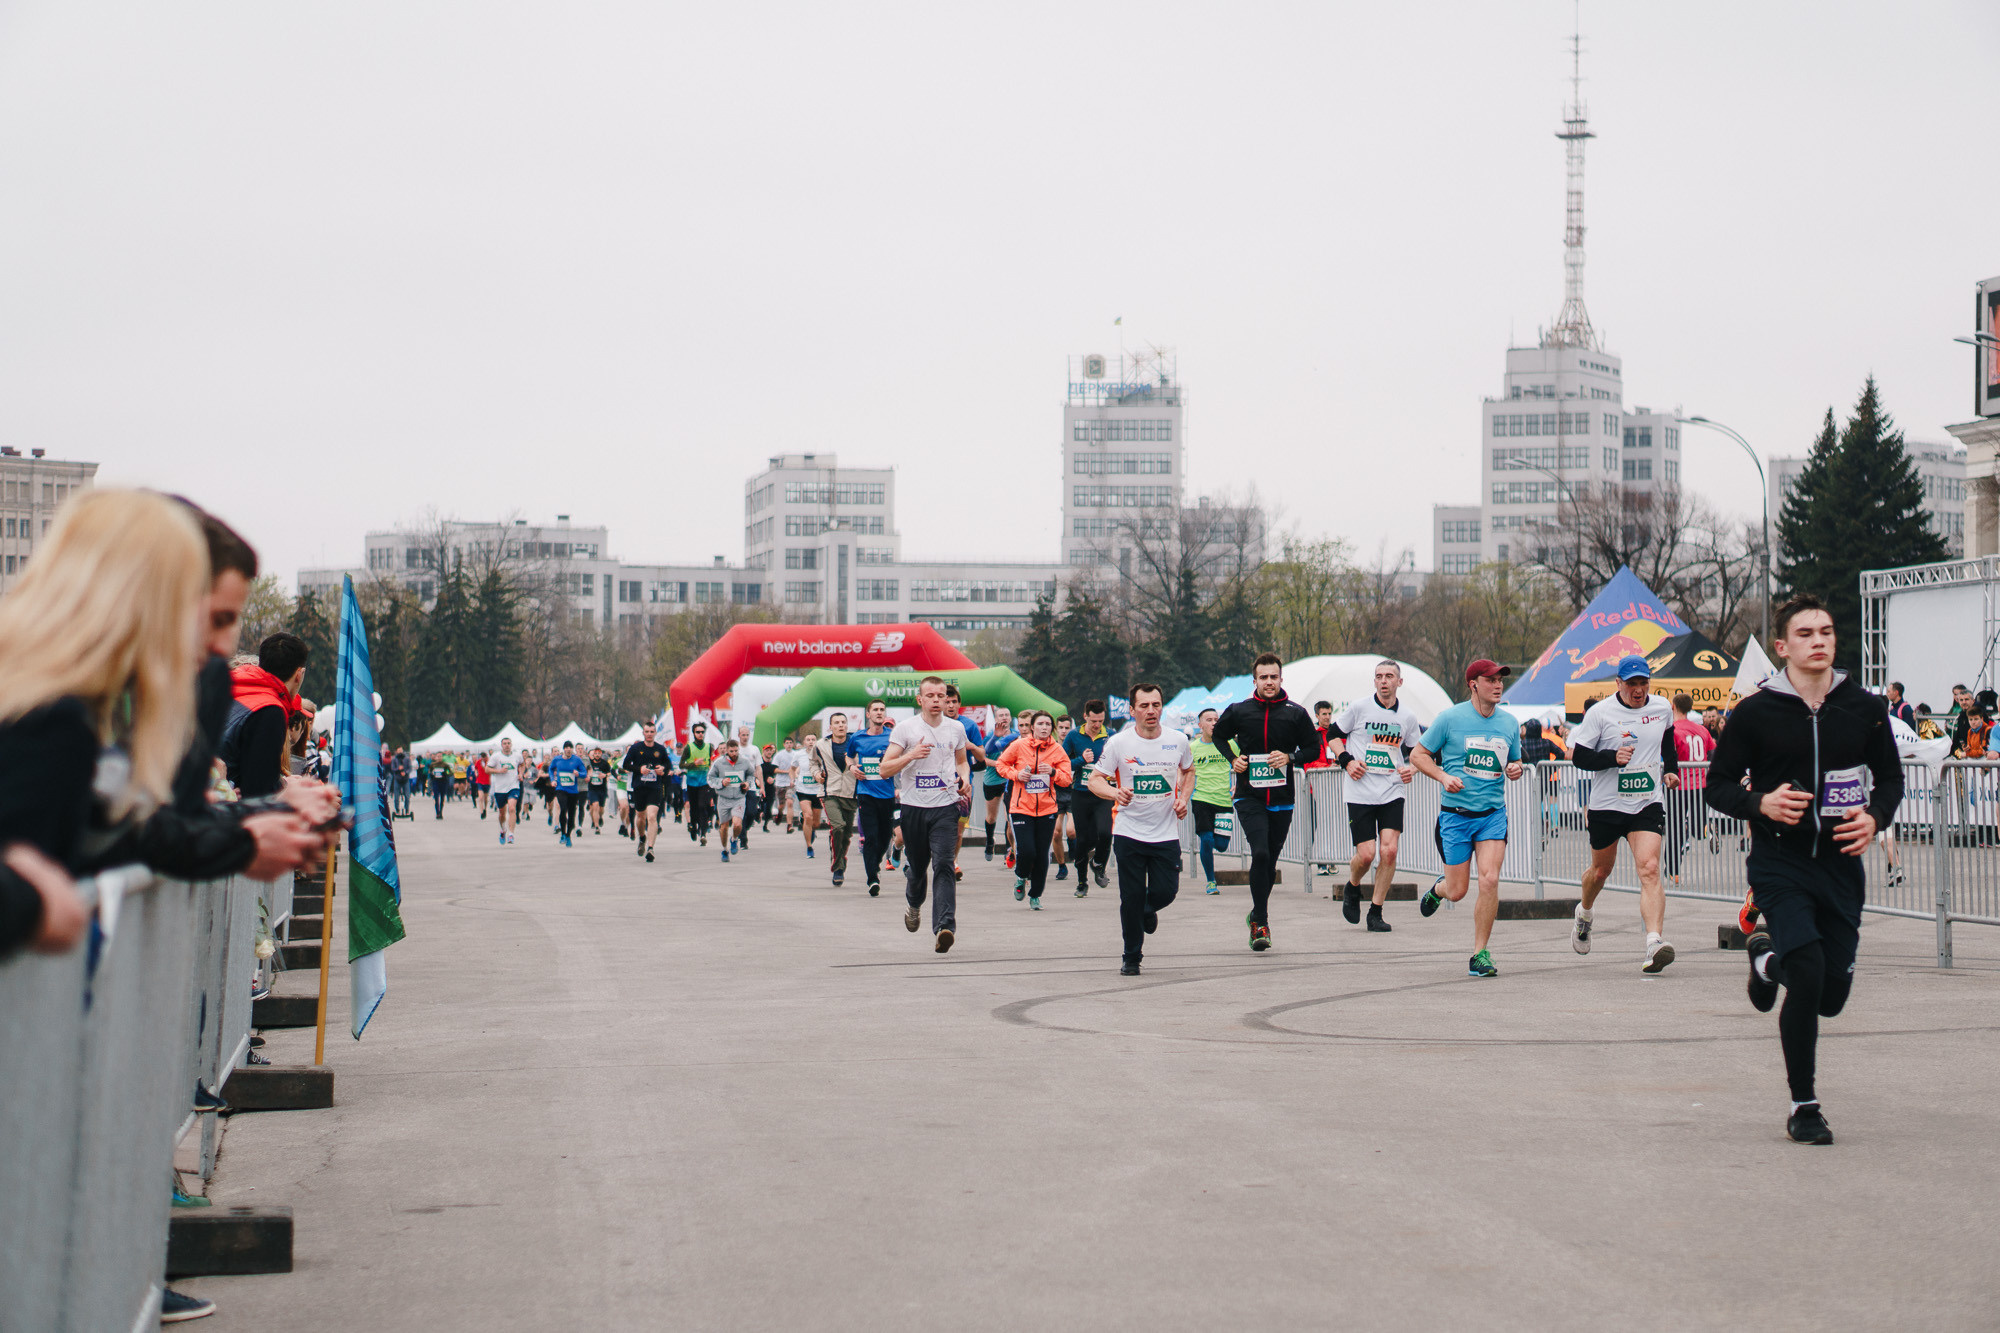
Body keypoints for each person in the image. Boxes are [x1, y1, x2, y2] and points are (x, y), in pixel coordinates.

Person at [1705, 593, 1902, 1145]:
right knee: (1810, 974)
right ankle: (1804, 1105)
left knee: (1830, 999)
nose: (1819, 641)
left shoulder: (1864, 707)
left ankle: (1766, 963)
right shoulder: (1755, 713)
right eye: (1806, 633)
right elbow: (1718, 784)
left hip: (1841, 868)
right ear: (1783, 646)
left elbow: (1890, 778)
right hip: (1780, 863)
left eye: (1827, 632)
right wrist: (1760, 803)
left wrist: (1875, 817)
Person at [1411, 659, 1526, 978]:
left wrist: (1515, 769)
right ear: (1473, 684)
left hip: (1492, 815)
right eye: (1491, 680)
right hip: (1456, 817)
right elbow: (1418, 755)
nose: (1498, 685)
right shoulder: (1450, 718)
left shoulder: (1509, 723)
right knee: (1458, 890)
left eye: (1500, 680)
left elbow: (1515, 762)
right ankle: (1439, 889)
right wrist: (1443, 776)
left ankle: (1480, 953)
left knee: (1489, 879)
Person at [1567, 656, 1681, 973]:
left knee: (1650, 867)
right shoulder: (1600, 713)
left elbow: (1667, 741)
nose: (1639, 690)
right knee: (1600, 872)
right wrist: (1611, 757)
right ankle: (1584, 913)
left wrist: (1670, 770)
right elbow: (1579, 757)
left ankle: (1654, 942)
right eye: (1632, 684)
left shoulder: (1661, 707)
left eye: (1643, 683)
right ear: (1618, 684)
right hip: (1607, 806)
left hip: (1646, 802)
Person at [1212, 655, 1321, 952]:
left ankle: (1256, 913)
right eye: (1264, 677)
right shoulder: (1240, 711)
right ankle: (1261, 921)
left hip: (1282, 799)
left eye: (1274, 677)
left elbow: (1313, 748)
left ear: (1281, 679)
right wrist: (1233, 759)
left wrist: (1290, 757)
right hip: (1249, 796)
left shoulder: (1295, 714)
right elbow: (1218, 736)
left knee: (1269, 862)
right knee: (1259, 853)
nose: (1269, 682)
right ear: (1255, 681)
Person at [1091, 684, 1193, 976]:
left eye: (1156, 705)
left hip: (1165, 833)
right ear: (1132, 710)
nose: (1151, 711)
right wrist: (1115, 792)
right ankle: (1131, 956)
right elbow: (1095, 780)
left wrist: (1183, 799)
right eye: (1144, 705)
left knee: (1166, 892)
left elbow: (1188, 771)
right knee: (1131, 897)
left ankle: (1147, 909)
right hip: (1129, 831)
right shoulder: (1119, 743)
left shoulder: (1178, 740)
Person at [1328, 659, 1422, 932]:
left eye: (1389, 676)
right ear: (1374, 681)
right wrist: (1347, 760)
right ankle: (1353, 885)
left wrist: (1412, 769)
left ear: (1399, 682)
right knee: (1367, 855)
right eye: (1379, 676)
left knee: (1389, 851)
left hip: (1392, 789)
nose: (1383, 681)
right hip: (1360, 790)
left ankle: (1376, 911)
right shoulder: (1359, 708)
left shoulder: (1408, 717)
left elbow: (1419, 753)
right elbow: (1332, 735)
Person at [881, 677, 971, 952]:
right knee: (918, 869)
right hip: (914, 809)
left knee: (944, 864)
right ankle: (913, 903)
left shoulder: (956, 728)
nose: (936, 700)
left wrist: (965, 779)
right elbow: (884, 769)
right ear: (919, 699)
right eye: (930, 695)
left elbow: (962, 762)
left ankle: (944, 927)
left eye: (940, 696)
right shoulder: (906, 729)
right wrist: (911, 755)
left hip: (946, 806)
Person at [995, 710, 1071, 909]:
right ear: (1032, 727)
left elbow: (1067, 778)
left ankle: (1035, 895)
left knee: (1042, 855)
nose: (1044, 728)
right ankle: (1021, 877)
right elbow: (1001, 765)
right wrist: (1016, 775)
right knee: (1027, 850)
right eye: (1040, 724)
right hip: (1021, 807)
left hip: (1047, 809)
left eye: (1048, 724)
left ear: (1052, 728)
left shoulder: (1057, 750)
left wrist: (1053, 772)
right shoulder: (1019, 745)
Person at [222, 632, 309, 799]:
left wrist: (281, 782)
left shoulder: (232, 688)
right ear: (299, 674)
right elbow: (258, 792)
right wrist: (288, 788)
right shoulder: (269, 710)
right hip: (226, 809)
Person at [1062, 700, 1114, 895]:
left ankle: (1098, 864)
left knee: (1106, 833)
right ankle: (1082, 881)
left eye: (1101, 721)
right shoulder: (1074, 736)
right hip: (1081, 794)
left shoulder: (1110, 735)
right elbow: (1062, 763)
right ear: (1085, 717)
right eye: (1093, 721)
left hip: (1103, 793)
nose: (1097, 725)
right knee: (1083, 840)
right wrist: (1081, 760)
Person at [848, 699, 898, 896]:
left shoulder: (892, 737)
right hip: (866, 793)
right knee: (871, 837)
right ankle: (872, 879)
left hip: (887, 794)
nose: (879, 712)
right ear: (868, 714)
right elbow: (849, 755)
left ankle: (874, 863)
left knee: (885, 838)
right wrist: (852, 767)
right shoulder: (858, 737)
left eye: (882, 709)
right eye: (875, 709)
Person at [1666, 692, 1711, 883]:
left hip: (1678, 785)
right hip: (1700, 784)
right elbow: (1712, 750)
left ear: (1673, 707)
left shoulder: (1673, 730)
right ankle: (1706, 827)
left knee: (1674, 828)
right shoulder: (1701, 729)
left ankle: (1673, 871)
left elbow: (1669, 755)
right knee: (1697, 825)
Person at [809, 713, 858, 886]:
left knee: (846, 834)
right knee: (838, 826)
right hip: (829, 791)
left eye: (843, 722)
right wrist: (816, 774)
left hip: (850, 792)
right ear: (830, 727)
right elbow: (813, 762)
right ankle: (838, 867)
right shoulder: (821, 745)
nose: (840, 725)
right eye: (836, 723)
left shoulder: (855, 742)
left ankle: (839, 855)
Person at [1189, 708, 1233, 894]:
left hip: (1224, 799)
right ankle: (1211, 881)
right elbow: (1183, 770)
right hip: (1201, 798)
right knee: (1206, 839)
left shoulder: (1230, 744)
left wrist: (1238, 786)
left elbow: (1244, 763)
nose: (1214, 723)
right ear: (1200, 725)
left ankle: (1211, 840)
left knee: (1221, 846)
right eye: (1209, 720)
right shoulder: (1192, 748)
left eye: (1216, 719)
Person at [942, 685, 985, 879]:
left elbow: (982, 755)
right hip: (939, 784)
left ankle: (953, 861)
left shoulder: (969, 726)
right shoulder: (935, 725)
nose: (951, 706)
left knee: (958, 832)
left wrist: (971, 746)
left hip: (963, 784)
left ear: (959, 704)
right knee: (940, 828)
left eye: (954, 702)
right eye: (947, 702)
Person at [623, 723, 674, 862]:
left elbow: (668, 765)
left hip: (655, 787)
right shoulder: (636, 748)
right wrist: (639, 769)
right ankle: (642, 838)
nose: (649, 734)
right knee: (640, 817)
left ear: (655, 733)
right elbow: (626, 765)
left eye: (652, 731)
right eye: (647, 731)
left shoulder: (660, 749)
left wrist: (662, 769)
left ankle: (651, 848)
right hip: (639, 787)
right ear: (643, 733)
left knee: (652, 816)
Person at [709, 738, 762, 861]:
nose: (734, 753)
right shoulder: (719, 763)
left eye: (736, 751)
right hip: (723, 798)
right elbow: (710, 778)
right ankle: (724, 850)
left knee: (737, 824)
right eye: (731, 751)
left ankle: (734, 839)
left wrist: (748, 783)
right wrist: (721, 782)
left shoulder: (744, 762)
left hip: (739, 798)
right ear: (727, 751)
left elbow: (751, 774)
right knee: (724, 827)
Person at [981, 707, 1016, 865]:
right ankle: (990, 841)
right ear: (996, 719)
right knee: (991, 817)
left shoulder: (1016, 735)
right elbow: (982, 758)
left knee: (1010, 815)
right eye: (1001, 715)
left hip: (1009, 780)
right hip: (993, 780)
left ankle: (1009, 849)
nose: (1004, 717)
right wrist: (999, 764)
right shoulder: (991, 736)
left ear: (1010, 718)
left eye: (1007, 715)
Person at [793, 729, 825, 858]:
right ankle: (809, 847)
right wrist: (793, 779)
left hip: (817, 790)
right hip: (803, 789)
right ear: (804, 742)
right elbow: (792, 768)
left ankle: (811, 829)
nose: (811, 742)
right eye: (808, 740)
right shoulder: (799, 755)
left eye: (813, 739)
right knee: (808, 816)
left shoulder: (821, 753)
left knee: (816, 823)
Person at [549, 740, 588, 846]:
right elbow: (551, 769)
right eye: (566, 748)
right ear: (564, 749)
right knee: (563, 809)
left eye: (570, 748)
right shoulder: (557, 759)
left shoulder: (577, 760)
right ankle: (563, 833)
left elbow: (584, 773)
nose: (568, 749)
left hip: (573, 791)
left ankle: (568, 835)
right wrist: (552, 780)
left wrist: (578, 773)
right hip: (561, 789)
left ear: (572, 749)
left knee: (572, 814)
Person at [682, 723, 715, 846]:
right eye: (698, 732)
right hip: (691, 782)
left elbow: (711, 762)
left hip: (704, 782)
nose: (700, 734)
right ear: (694, 733)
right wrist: (694, 764)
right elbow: (681, 764)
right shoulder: (688, 747)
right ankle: (693, 826)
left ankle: (703, 833)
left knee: (703, 806)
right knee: (694, 807)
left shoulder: (709, 747)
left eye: (702, 732)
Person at [1051, 713, 1075, 882]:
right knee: (1055, 832)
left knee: (1071, 831)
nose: (1064, 731)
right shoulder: (1052, 747)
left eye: (1067, 728)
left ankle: (1073, 848)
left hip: (1072, 793)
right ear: (1056, 729)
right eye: (1061, 728)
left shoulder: (1074, 747)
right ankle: (1061, 865)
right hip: (1056, 793)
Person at [487, 737, 522, 843]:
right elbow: (487, 769)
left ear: (511, 744)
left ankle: (511, 834)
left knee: (512, 809)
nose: (507, 745)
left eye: (508, 743)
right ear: (501, 745)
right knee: (502, 813)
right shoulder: (496, 756)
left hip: (513, 786)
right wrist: (499, 771)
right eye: (505, 743)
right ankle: (503, 829)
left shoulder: (517, 755)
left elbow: (522, 764)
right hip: (500, 788)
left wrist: (520, 773)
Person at [770, 738, 796, 831]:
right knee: (782, 805)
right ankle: (779, 813)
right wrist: (786, 771)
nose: (789, 745)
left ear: (793, 744)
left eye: (790, 743)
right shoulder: (779, 755)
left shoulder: (795, 754)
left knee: (790, 802)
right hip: (780, 783)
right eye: (787, 743)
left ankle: (789, 825)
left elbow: (798, 767)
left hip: (791, 783)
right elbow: (774, 770)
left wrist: (794, 775)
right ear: (784, 744)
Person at [585, 746, 611, 833]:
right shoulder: (590, 764)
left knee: (601, 808)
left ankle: (600, 817)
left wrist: (605, 775)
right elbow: (586, 773)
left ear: (601, 754)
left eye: (598, 753)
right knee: (595, 805)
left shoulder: (605, 763)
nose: (597, 755)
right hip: (592, 789)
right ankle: (596, 827)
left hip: (602, 789)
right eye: (595, 753)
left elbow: (610, 773)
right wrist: (588, 775)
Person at [759, 743, 781, 831]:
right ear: (763, 752)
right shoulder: (760, 762)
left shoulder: (774, 762)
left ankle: (765, 824)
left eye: (770, 751)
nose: (769, 752)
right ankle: (759, 814)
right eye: (767, 750)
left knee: (769, 806)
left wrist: (774, 779)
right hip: (760, 786)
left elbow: (777, 773)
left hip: (770, 787)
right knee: (761, 804)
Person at [428, 750, 451, 819]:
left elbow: (450, 772)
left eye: (440, 756)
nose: (439, 758)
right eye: (438, 756)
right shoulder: (433, 765)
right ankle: (437, 812)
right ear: (435, 757)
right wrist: (432, 775)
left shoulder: (445, 764)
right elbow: (430, 772)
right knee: (436, 798)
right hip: (435, 782)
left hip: (443, 782)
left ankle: (441, 812)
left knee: (442, 798)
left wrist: (445, 774)